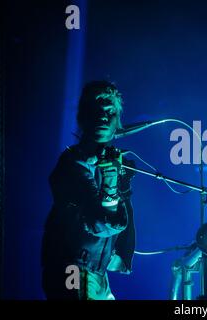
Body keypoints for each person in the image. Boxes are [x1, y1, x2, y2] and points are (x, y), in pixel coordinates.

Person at [41, 81, 136, 300]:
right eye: (97, 111)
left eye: (110, 112)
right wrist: (111, 184)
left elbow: (125, 215)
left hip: (97, 274)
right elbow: (99, 224)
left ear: (117, 122)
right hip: (71, 269)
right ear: (84, 118)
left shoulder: (114, 162)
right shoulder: (72, 164)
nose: (103, 117)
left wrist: (121, 255)